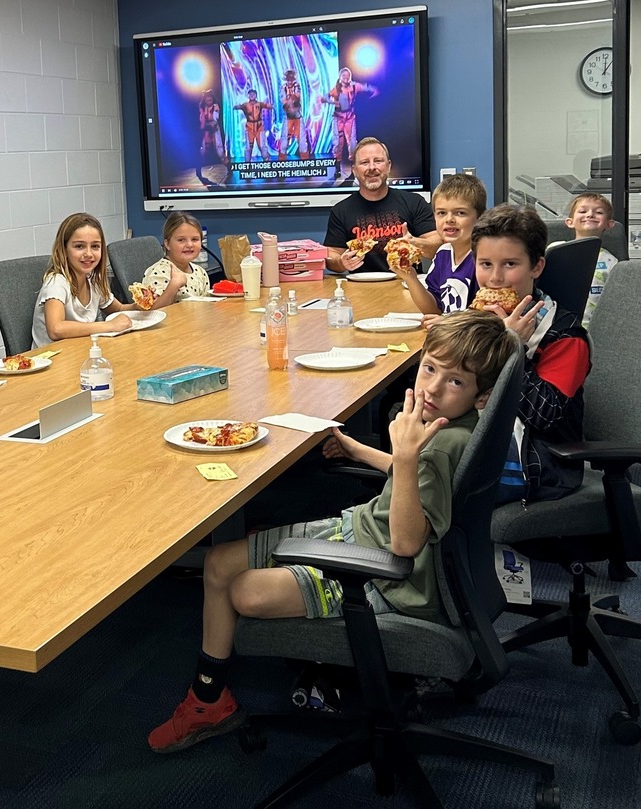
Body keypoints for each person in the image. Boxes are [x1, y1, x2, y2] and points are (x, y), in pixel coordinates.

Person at [147, 310, 519, 754]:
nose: (433, 388)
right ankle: (209, 701)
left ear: (481, 395)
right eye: (430, 368)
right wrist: (359, 449)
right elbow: (417, 482)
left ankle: (209, 702)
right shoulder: (452, 431)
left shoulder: (439, 444)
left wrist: (403, 455)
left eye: (456, 381)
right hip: (359, 529)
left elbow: (406, 541)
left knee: (243, 590)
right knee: (218, 560)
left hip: (387, 576)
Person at [471, 204, 591, 504]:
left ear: (536, 267)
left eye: (510, 264)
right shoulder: (478, 318)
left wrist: (511, 347)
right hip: (479, 433)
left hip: (542, 464)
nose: (495, 278)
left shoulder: (566, 336)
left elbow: (543, 416)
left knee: (436, 474)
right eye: (485, 264)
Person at [324, 137, 441, 275]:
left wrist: (414, 242)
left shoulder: (414, 202)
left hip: (408, 286)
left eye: (378, 161)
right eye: (364, 162)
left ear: (389, 166)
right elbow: (331, 256)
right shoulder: (340, 211)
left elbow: (438, 244)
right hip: (360, 288)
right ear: (354, 170)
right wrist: (341, 262)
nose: (372, 168)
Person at [31, 213, 138, 348]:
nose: (88, 254)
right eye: (79, 246)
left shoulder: (93, 280)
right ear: (64, 250)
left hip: (80, 352)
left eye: (95, 246)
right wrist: (108, 325)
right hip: (53, 359)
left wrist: (138, 306)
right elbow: (56, 329)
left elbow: (119, 309)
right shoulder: (57, 282)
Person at [393, 173, 487, 322]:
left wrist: (446, 323)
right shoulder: (443, 254)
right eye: (441, 213)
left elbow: (488, 320)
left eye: (460, 213)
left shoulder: (486, 259)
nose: (449, 219)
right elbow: (433, 309)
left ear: (479, 217)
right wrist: (410, 277)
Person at [550, 193, 619, 328]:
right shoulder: (556, 249)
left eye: (598, 212)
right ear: (570, 222)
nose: (590, 214)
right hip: (556, 324)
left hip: (595, 326)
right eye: (582, 211)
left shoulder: (612, 262)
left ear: (609, 224)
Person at [140, 212, 211, 307]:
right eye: (181, 240)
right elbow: (153, 311)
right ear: (167, 244)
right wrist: (174, 284)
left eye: (194, 239)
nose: (189, 245)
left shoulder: (201, 273)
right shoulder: (159, 273)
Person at [320, 67, 378, 177]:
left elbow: (365, 87)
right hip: (338, 118)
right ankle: (337, 168)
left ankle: (353, 169)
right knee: (337, 143)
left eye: (348, 76)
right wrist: (332, 102)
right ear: (340, 77)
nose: (346, 78)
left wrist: (373, 90)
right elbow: (324, 98)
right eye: (344, 76)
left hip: (350, 118)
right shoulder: (336, 89)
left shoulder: (354, 86)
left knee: (352, 144)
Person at [233, 88, 272, 163]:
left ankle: (267, 161)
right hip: (249, 128)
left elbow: (267, 106)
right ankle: (247, 163)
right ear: (248, 96)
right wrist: (236, 107)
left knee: (262, 146)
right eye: (250, 94)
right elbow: (239, 106)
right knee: (248, 147)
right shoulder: (245, 105)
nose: (252, 95)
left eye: (253, 94)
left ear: (256, 96)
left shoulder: (260, 104)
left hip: (259, 127)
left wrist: (271, 106)